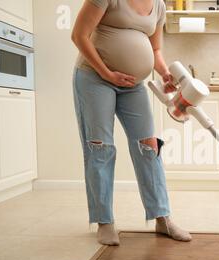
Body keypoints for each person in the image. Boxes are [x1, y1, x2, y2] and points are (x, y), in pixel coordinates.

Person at [71, 0, 192, 245]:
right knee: (100, 147)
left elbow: (155, 49)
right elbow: (79, 36)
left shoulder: (158, 5)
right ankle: (104, 221)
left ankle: (162, 218)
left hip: (133, 85)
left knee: (149, 147)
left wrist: (164, 73)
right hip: (95, 78)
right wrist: (107, 72)